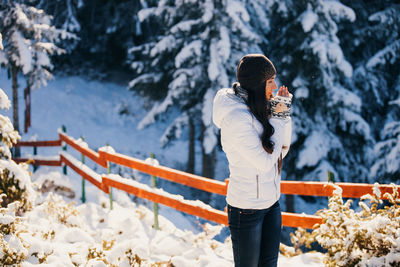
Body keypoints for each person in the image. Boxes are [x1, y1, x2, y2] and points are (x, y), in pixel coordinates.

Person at [212, 54, 292, 267]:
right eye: (269, 81)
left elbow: (281, 151)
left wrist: (282, 114)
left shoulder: (260, 105)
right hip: (247, 209)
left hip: (271, 203)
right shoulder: (237, 118)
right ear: (257, 83)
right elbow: (266, 162)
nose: (275, 86)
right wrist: (279, 117)